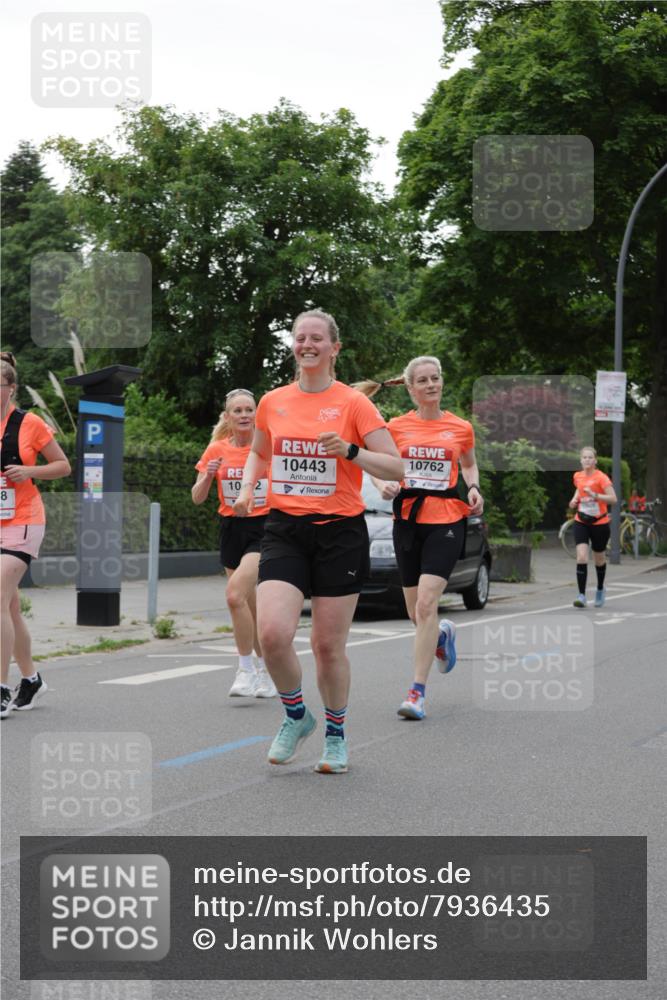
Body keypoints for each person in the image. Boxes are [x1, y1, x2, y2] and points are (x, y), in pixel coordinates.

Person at [233, 309, 404, 774]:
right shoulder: (273, 401)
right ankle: (295, 716)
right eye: (299, 338)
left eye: (316, 339)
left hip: (340, 533)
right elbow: (259, 453)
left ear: (334, 348)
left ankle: (335, 734)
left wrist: (350, 451)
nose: (306, 344)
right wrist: (250, 486)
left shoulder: (353, 404)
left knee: (328, 646)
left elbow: (396, 467)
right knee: (271, 635)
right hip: (285, 528)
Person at [362, 356, 483, 721]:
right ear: (411, 389)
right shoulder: (395, 427)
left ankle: (416, 692)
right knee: (418, 613)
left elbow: (468, 464)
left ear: (441, 383)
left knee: (427, 605)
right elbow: (374, 465)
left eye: (436, 379)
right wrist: (383, 483)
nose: (431, 385)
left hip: (446, 520)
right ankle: (442, 636)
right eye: (423, 381)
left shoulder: (460, 427)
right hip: (407, 520)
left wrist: (474, 487)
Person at [192, 389, 276, 698]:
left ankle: (245, 669)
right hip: (231, 529)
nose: (243, 415)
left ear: (256, 414)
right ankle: (266, 673)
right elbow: (197, 497)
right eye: (237, 411)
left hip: (263, 528)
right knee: (247, 605)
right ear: (228, 417)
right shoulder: (216, 449)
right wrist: (206, 477)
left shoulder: (267, 447)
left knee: (234, 596)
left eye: (248, 410)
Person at [1, 354, 71, 718]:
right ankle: (30, 679)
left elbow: (62, 466)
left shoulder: (29, 424)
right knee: (9, 607)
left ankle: (0, 689)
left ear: (10, 389)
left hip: (23, 521)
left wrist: (28, 470)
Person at [568, 446, 616, 608]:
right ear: (581, 460)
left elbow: (613, 499)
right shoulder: (578, 476)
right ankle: (581, 595)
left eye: (590, 458)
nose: (587, 460)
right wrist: (574, 500)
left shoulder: (601, 478)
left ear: (595, 461)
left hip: (600, 523)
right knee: (582, 556)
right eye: (584, 458)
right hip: (581, 520)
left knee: (599, 559)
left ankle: (600, 589)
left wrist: (596, 495)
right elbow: (579, 489)